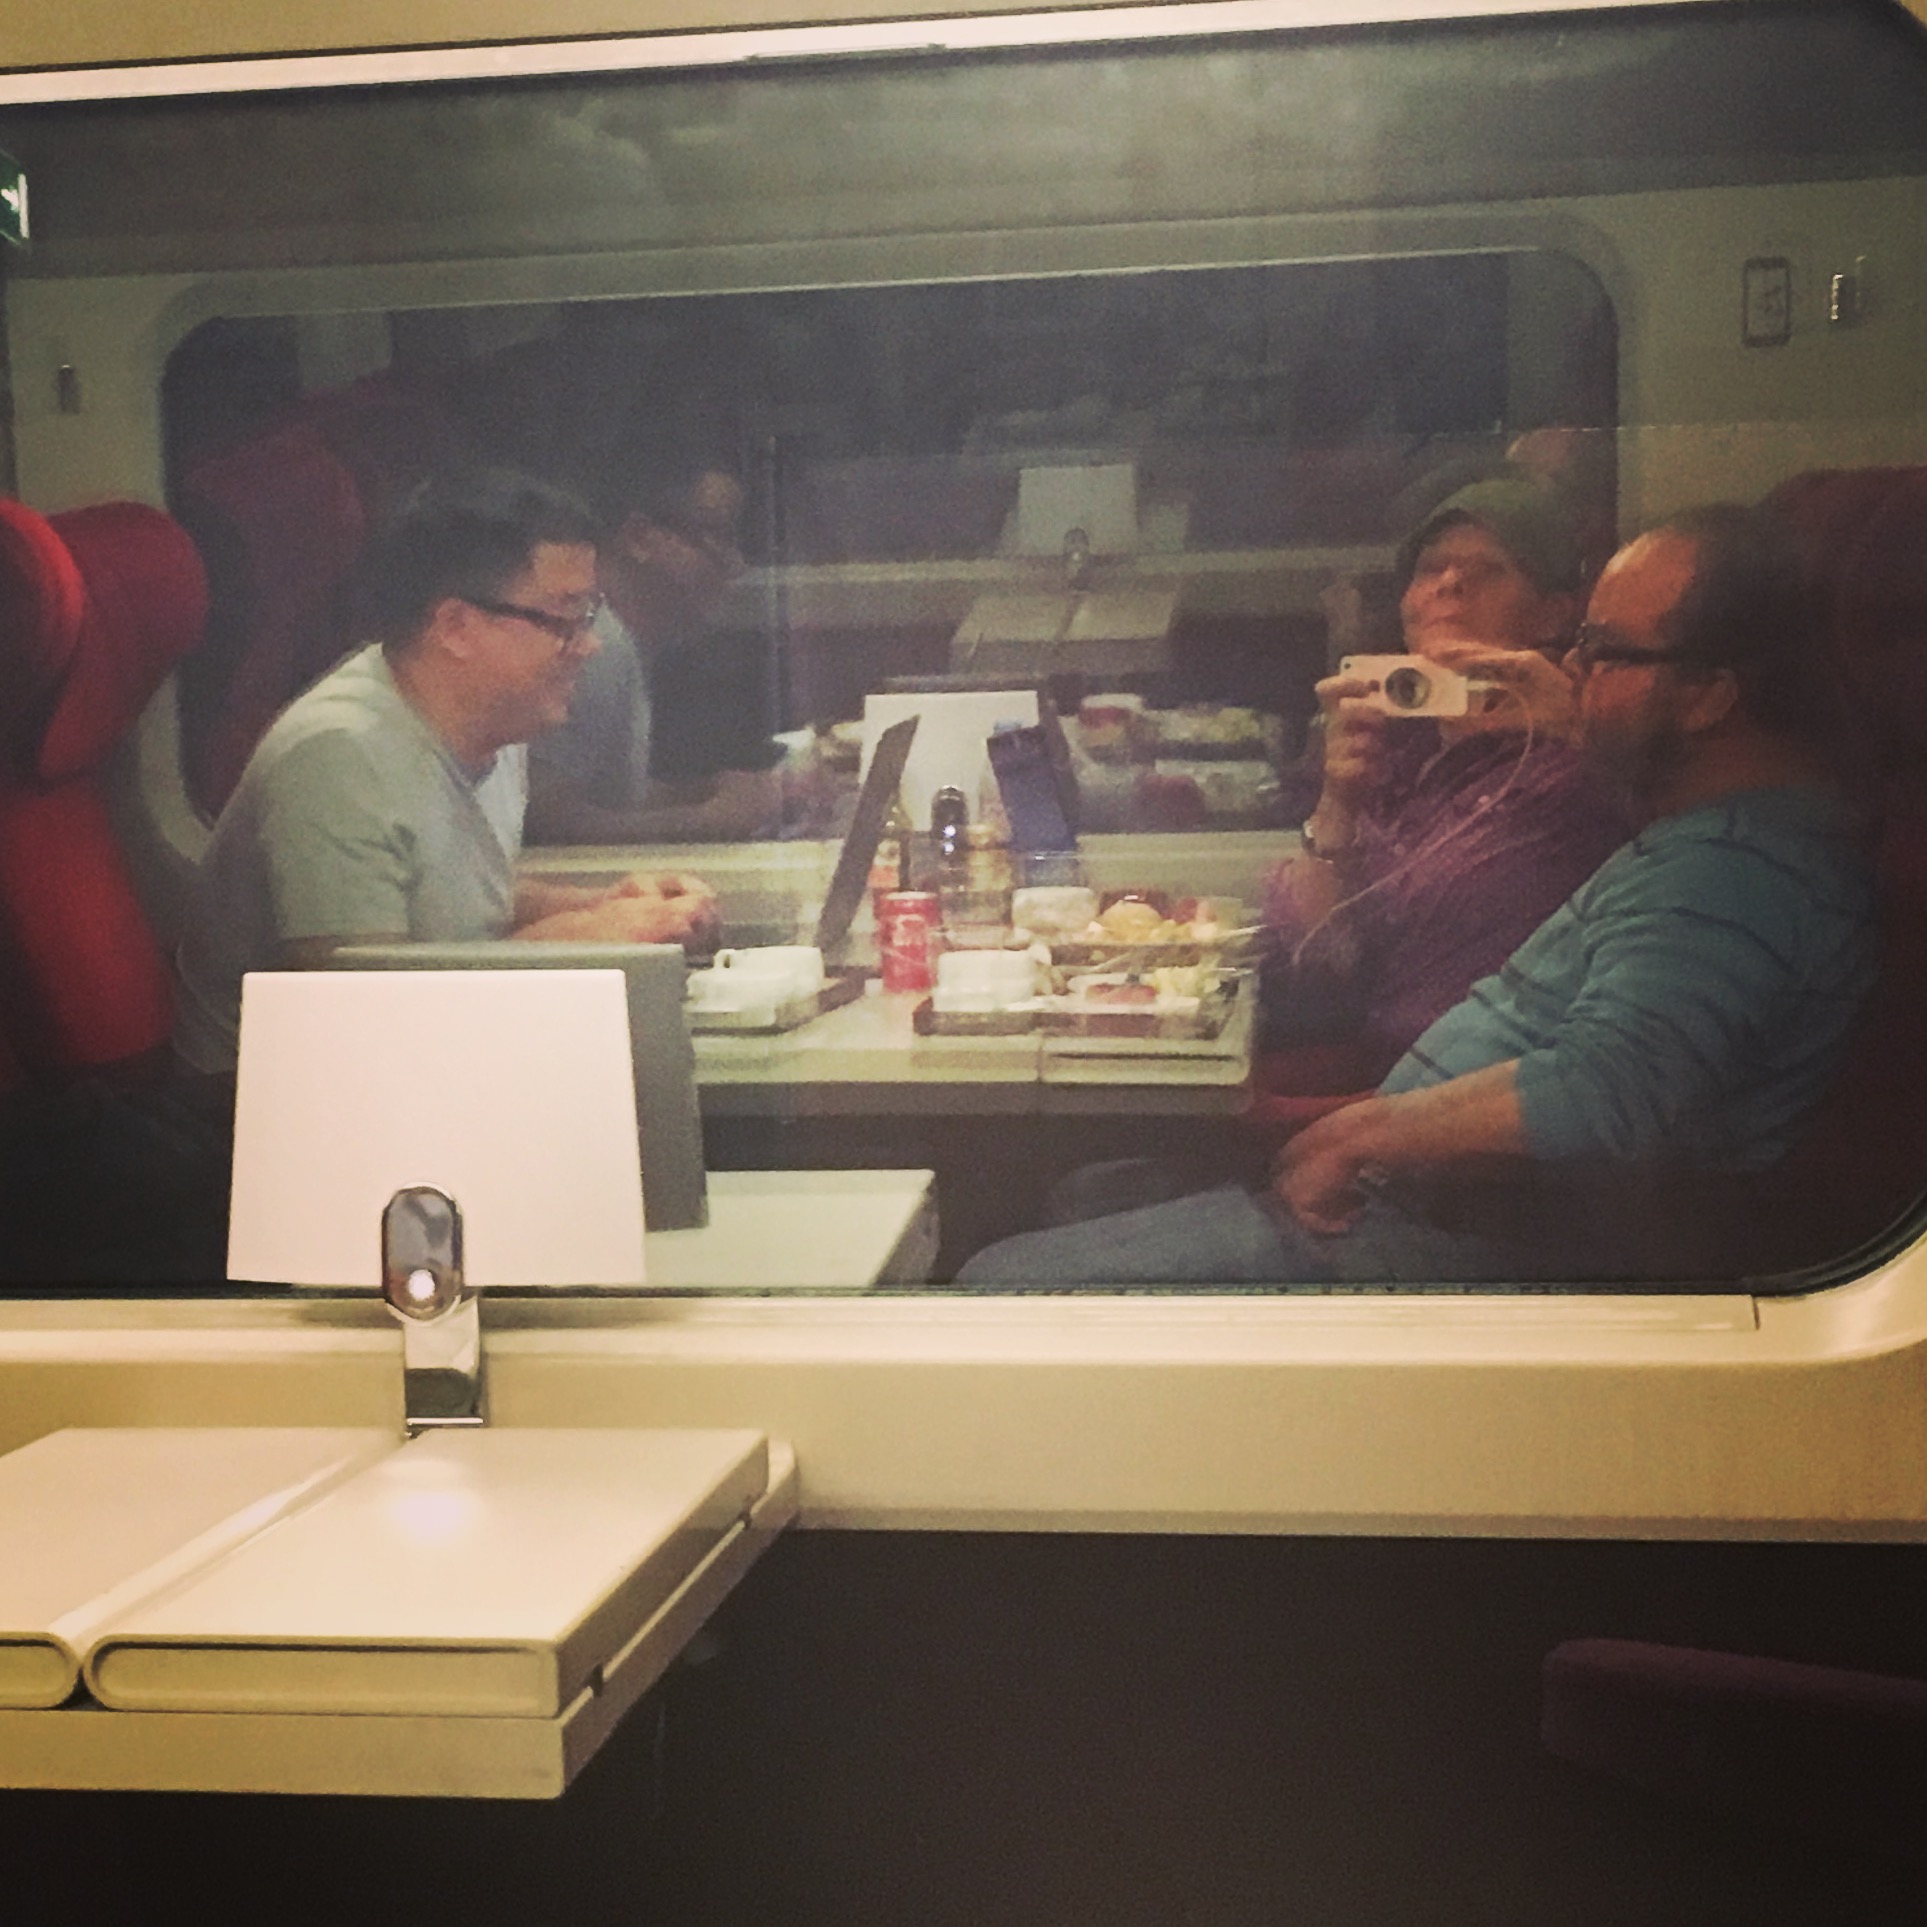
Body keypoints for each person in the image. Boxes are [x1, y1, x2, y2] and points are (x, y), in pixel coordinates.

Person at [959, 505, 1877, 1288]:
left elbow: (1611, 1088)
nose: (1572, 673)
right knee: (1085, 1196)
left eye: (1600, 652)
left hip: (1487, 1237)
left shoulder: (1734, 872)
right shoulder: (1700, 836)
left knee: (995, 1282)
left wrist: (1361, 1136)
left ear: (1708, 695)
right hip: (1443, 1197)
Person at [173, 469, 718, 1077]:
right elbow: (367, 1023)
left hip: (422, 1069)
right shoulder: (338, 758)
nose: (588, 646)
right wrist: (586, 936)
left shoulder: (495, 721)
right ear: (457, 626)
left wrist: (605, 904)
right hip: (267, 1103)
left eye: (588, 614)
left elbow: (451, 896)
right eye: (563, 619)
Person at [1263, 475, 1632, 1080]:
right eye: (1430, 568)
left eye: (1490, 571)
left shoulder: (1582, 767)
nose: (1451, 583)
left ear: (1555, 611)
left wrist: (1582, 734)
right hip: (1377, 1081)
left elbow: (1684, 849)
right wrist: (1337, 803)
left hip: (1485, 1099)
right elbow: (1312, 964)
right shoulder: (1401, 752)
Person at [525, 447, 783, 845]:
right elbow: (544, 822)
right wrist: (711, 820)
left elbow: (612, 799)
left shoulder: (624, 642)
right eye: (718, 535)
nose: (736, 564)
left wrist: (708, 792)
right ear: (640, 538)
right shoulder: (595, 646)